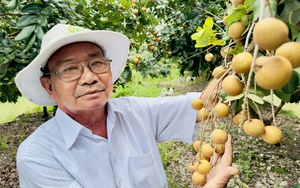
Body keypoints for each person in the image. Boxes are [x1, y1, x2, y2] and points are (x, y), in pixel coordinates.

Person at [15, 24, 238, 188]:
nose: (90, 77)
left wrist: (243, 48)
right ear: (49, 87)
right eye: (70, 69)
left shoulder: (136, 112)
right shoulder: (38, 155)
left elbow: (205, 104)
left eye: (97, 63)